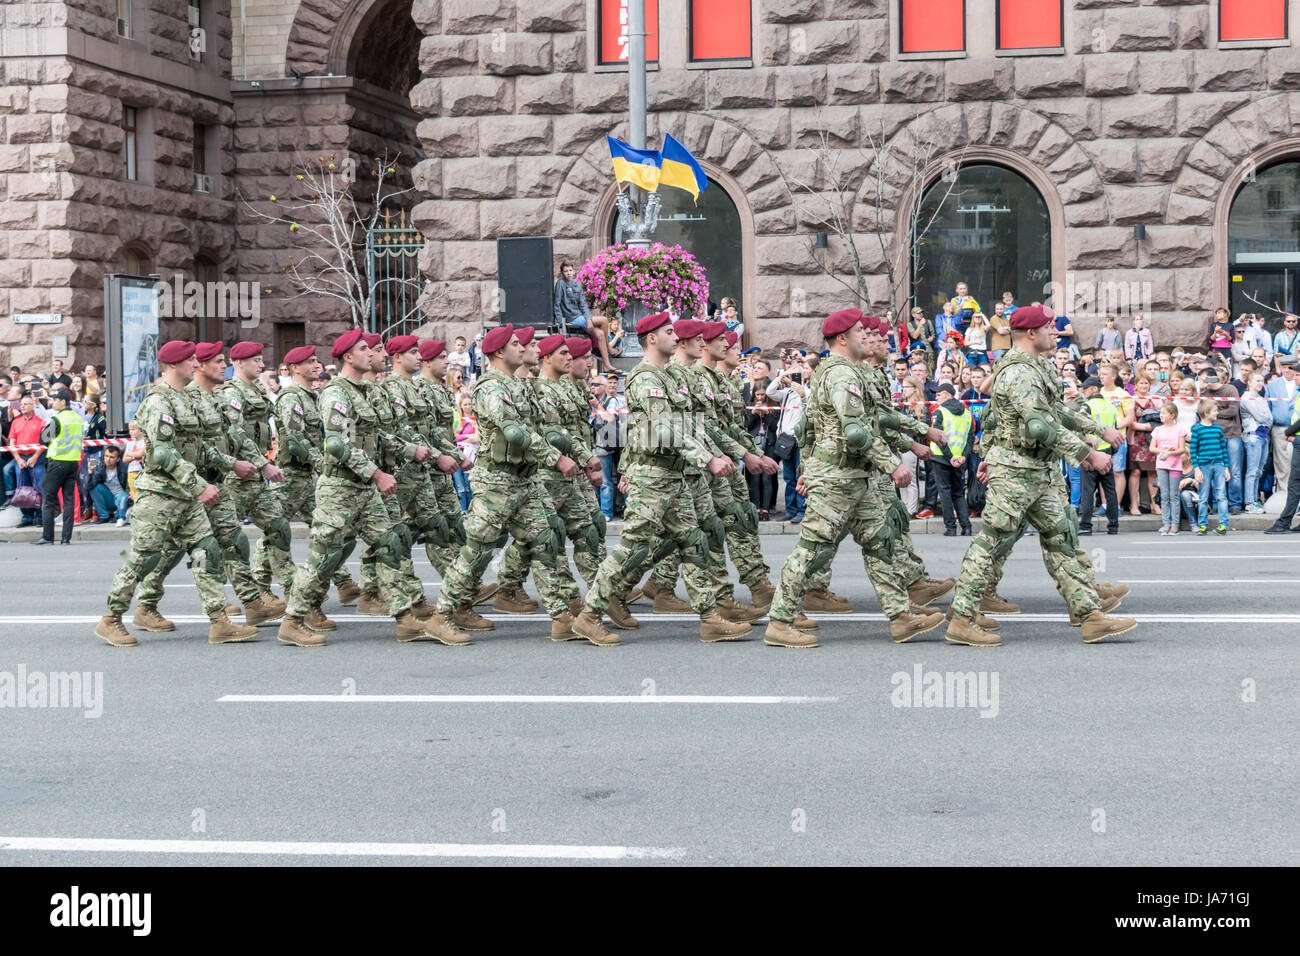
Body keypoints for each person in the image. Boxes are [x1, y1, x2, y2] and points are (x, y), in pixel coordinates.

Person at [945, 306, 1134, 646]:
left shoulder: (1033, 367)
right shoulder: (1019, 372)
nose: (1055, 332)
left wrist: (1098, 429)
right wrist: (1086, 452)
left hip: (1038, 469)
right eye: (1048, 327)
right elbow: (1039, 424)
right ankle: (961, 618)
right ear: (1030, 334)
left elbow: (1056, 412)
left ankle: (1089, 614)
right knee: (991, 542)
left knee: (1061, 539)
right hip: (1016, 470)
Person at [763, 309, 944, 649]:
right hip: (837, 479)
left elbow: (818, 428)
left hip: (854, 476)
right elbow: (856, 430)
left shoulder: (841, 372)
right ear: (843, 339)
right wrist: (892, 463)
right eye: (861, 331)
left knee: (880, 545)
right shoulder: (841, 375)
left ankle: (900, 616)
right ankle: (779, 621)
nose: (868, 336)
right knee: (811, 549)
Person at [570, 314, 753, 647]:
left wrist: (716, 451)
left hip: (674, 474)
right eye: (669, 332)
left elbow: (690, 425)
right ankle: (589, 615)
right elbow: (664, 428)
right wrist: (707, 458)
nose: (676, 336)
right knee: (633, 548)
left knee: (694, 540)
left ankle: (710, 617)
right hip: (651, 477)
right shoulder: (644, 378)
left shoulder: (669, 377)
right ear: (651, 339)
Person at [275, 330, 444, 648]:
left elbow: (378, 436)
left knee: (389, 546)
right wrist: (377, 473)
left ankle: (405, 618)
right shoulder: (336, 394)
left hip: (365, 489)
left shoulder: (365, 390)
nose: (371, 353)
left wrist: (411, 450)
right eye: (364, 349)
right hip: (339, 489)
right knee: (323, 557)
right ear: (348, 358)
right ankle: (292, 620)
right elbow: (338, 444)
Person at [95, 341, 259, 647]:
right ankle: (111, 618)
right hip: (159, 495)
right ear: (173, 365)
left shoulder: (186, 397)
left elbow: (198, 447)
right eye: (190, 361)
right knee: (142, 558)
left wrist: (221, 468)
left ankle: (219, 621)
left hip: (185, 496)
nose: (196, 365)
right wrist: (200, 485)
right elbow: (164, 453)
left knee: (206, 551)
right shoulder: (160, 402)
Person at [135, 341, 285, 631]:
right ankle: (146, 604)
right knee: (177, 550)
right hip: (189, 486)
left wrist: (251, 463)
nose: (223, 366)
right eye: (216, 361)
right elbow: (180, 448)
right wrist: (225, 468)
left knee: (232, 541)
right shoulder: (181, 397)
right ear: (198, 365)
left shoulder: (210, 397)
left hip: (213, 483)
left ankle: (251, 604)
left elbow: (231, 434)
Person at [255, 344, 361, 622]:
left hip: (309, 477)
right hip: (290, 476)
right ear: (293, 368)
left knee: (331, 529)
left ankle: (343, 583)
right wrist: (321, 462)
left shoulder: (312, 396)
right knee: (274, 532)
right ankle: (261, 587)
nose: (317, 365)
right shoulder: (291, 398)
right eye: (310, 361)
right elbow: (294, 439)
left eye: (317, 360)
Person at [219, 341, 295, 601]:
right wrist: (264, 464)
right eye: (256, 360)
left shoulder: (258, 389)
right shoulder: (232, 393)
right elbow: (234, 432)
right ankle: (218, 598)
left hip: (255, 475)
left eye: (262, 359)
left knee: (279, 527)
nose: (262, 365)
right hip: (236, 475)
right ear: (239, 363)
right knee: (225, 538)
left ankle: (289, 592)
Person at [33, 387, 83, 546]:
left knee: (48, 500)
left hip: (57, 463)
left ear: (63, 402)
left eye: (54, 400)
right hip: (73, 463)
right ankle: (65, 538)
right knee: (68, 500)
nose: (52, 402)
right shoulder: (77, 418)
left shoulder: (57, 419)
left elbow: (43, 439)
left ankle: (48, 537)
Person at [552, 260, 614, 372]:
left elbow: (584, 305)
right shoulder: (561, 284)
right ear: (562, 273)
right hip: (572, 318)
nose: (568, 273)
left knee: (600, 334)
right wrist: (562, 323)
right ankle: (609, 348)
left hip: (580, 317)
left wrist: (588, 319)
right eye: (565, 271)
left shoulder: (577, 284)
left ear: (574, 271)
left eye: (570, 270)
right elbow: (557, 305)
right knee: (604, 320)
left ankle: (606, 365)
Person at [1077, 377, 1120, 536]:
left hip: (1091, 453)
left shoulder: (1087, 406)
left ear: (1094, 389)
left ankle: (1086, 525)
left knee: (1087, 490)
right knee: (1110, 490)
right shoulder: (1110, 407)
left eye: (1086, 389)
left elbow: (1081, 428)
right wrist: (1111, 452)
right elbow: (1115, 431)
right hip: (1107, 452)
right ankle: (1114, 526)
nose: (1083, 392)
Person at [929, 382, 973, 536]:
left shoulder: (939, 412)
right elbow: (970, 439)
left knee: (945, 492)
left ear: (948, 394)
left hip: (942, 458)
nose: (936, 397)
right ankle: (966, 527)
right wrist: (962, 457)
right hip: (960, 460)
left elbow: (938, 437)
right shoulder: (967, 413)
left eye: (939, 394)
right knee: (959, 493)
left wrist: (950, 457)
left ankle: (950, 528)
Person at [1189, 397, 1230, 535]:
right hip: (1204, 466)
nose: (1217, 413)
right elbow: (1193, 451)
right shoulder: (1197, 430)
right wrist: (1196, 469)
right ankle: (1202, 525)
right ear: (1206, 413)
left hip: (1219, 465)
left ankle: (1223, 525)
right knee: (1203, 496)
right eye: (1215, 411)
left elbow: (1223, 449)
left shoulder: (1218, 429)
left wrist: (1226, 467)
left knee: (1221, 496)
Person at [1150, 401, 1189, 536]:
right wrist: (1163, 451)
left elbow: (1182, 449)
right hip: (1161, 465)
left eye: (1164, 413)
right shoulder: (1157, 430)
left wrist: (1170, 453)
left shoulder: (1179, 430)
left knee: (1174, 495)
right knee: (1164, 495)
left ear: (1172, 415)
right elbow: (1152, 447)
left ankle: (1174, 524)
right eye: (1160, 413)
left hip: (1175, 466)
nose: (1161, 415)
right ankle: (1166, 523)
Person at [1125, 374, 1161, 515]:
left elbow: (1160, 419)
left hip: (1152, 440)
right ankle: (1134, 505)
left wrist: (1147, 426)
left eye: (1146, 383)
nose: (1144, 386)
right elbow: (1131, 423)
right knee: (1136, 472)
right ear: (1135, 385)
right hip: (1136, 441)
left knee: (1153, 472)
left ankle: (1155, 504)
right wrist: (1147, 426)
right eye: (1141, 383)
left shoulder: (1156, 400)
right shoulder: (1130, 400)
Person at [8, 394, 46, 526]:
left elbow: (44, 442)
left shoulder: (41, 422)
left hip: (37, 458)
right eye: (21, 404)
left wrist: (35, 457)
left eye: (26, 404)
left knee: (38, 488)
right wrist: (18, 459)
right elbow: (12, 443)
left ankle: (40, 516)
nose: (22, 406)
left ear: (33, 406)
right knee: (22, 488)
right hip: (21, 459)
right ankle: (26, 517)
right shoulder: (15, 422)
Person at [1240, 372, 1271, 513]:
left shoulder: (1260, 398)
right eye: (1257, 380)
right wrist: (1264, 417)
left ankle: (1255, 500)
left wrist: (1264, 417)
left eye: (1262, 380)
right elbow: (1260, 416)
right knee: (1252, 471)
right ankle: (1249, 503)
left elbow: (1270, 418)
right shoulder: (1246, 398)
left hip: (1264, 435)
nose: (1260, 383)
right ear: (1250, 382)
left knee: (1259, 471)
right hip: (1253, 436)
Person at [87, 444, 131, 525]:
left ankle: (118, 515)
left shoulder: (124, 467)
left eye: (112, 457)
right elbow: (90, 486)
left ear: (118, 459)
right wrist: (90, 473)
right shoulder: (100, 465)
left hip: (122, 498)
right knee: (95, 487)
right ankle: (104, 516)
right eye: (106, 456)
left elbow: (128, 487)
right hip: (109, 498)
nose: (108, 459)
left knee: (123, 495)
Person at [453, 391, 476, 511]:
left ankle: (471, 511)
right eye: (465, 404)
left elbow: (477, 437)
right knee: (459, 486)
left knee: (469, 486)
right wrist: (467, 438)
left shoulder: (476, 420)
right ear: (460, 405)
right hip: (457, 455)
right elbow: (453, 437)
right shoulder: (457, 420)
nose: (467, 407)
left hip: (471, 456)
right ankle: (463, 512)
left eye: (469, 404)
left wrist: (462, 439)